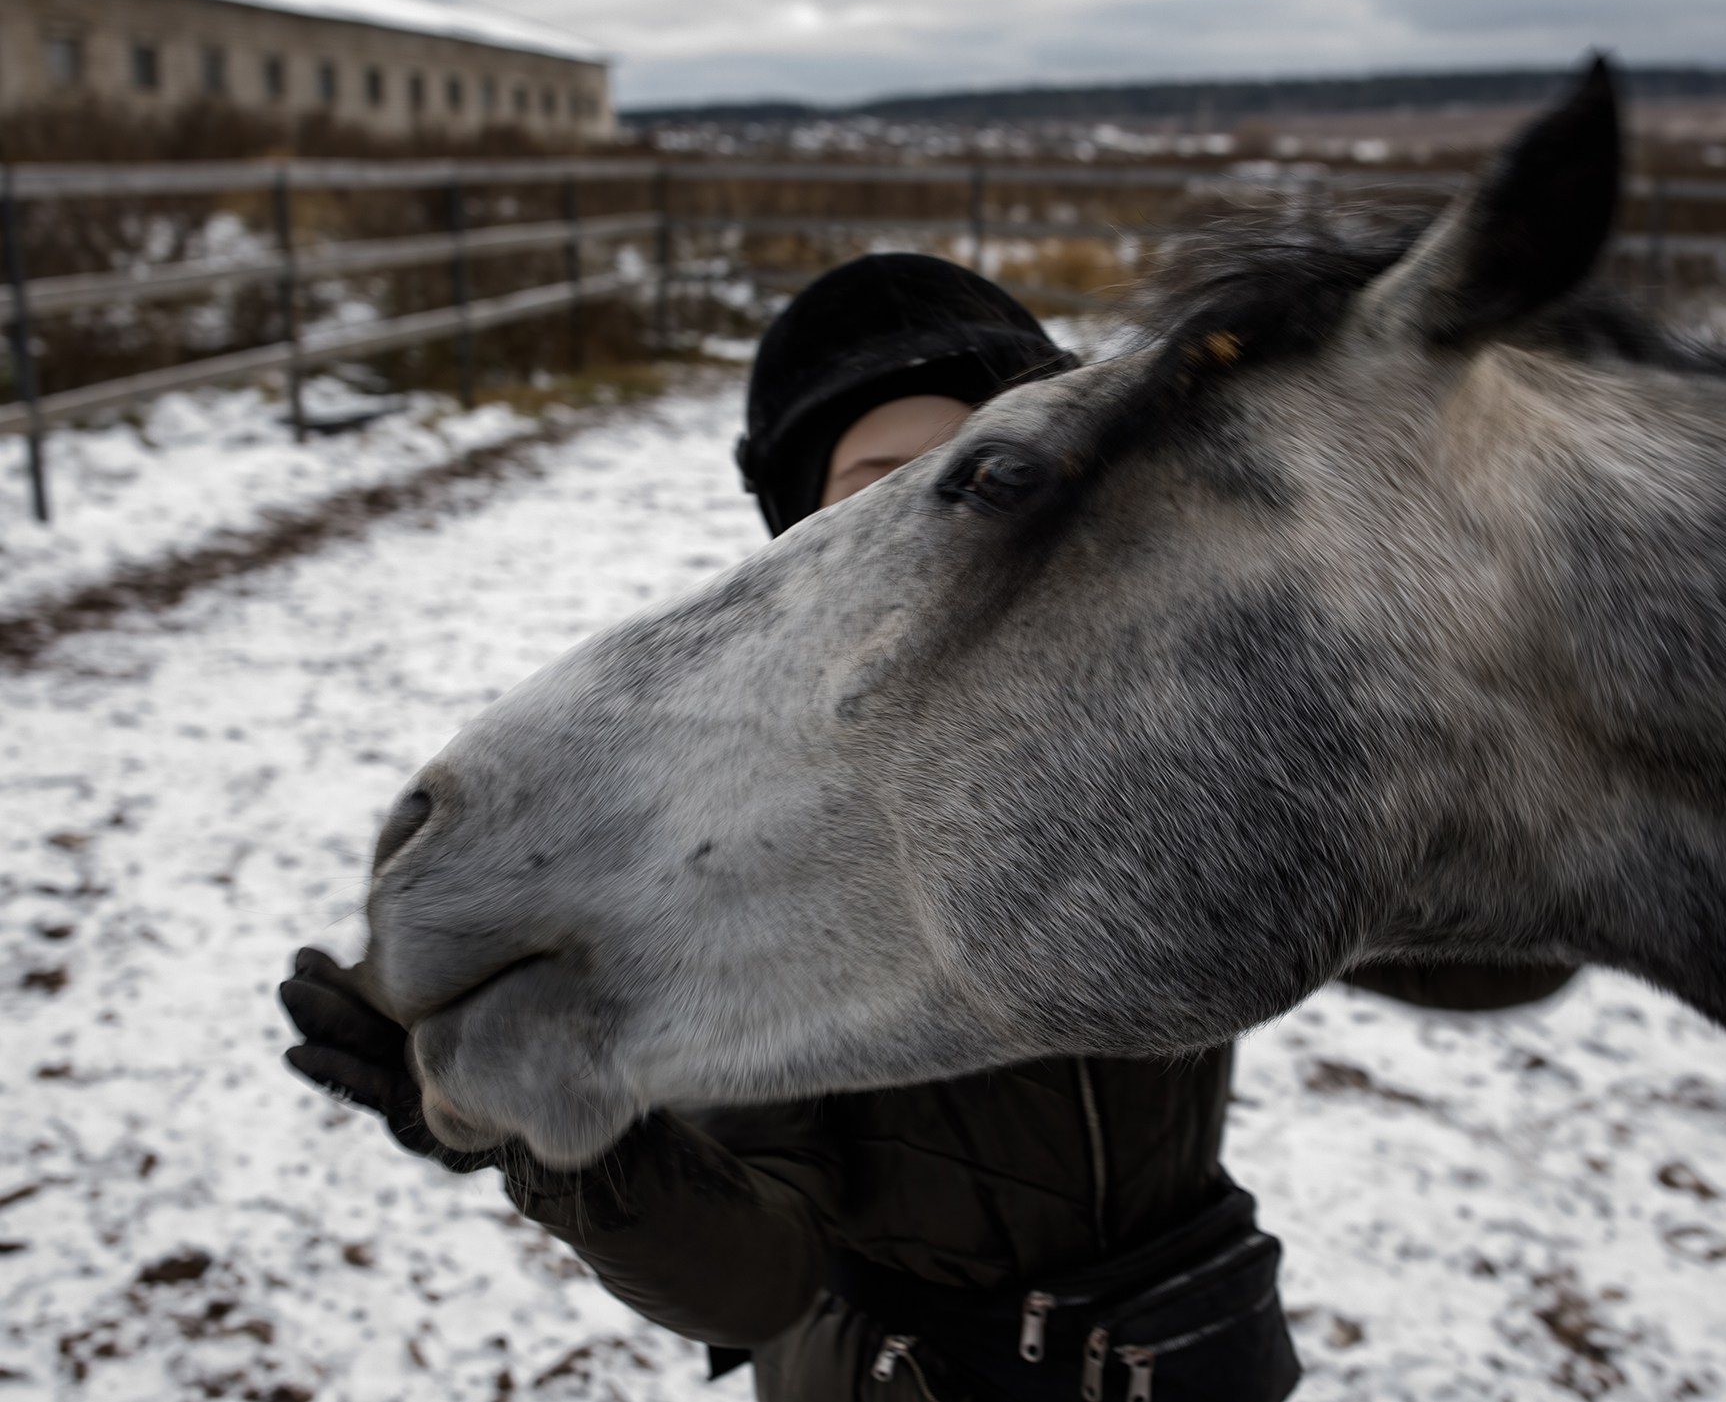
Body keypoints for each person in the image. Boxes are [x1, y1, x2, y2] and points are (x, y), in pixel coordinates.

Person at [282, 253, 1572, 1402]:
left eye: (980, 476)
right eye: (871, 492)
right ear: (811, 541)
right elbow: (757, 1281)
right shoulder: (743, 846)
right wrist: (566, 1153)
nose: (929, 531)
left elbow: (1485, 963)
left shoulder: (1157, 745)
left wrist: (1463, 737)